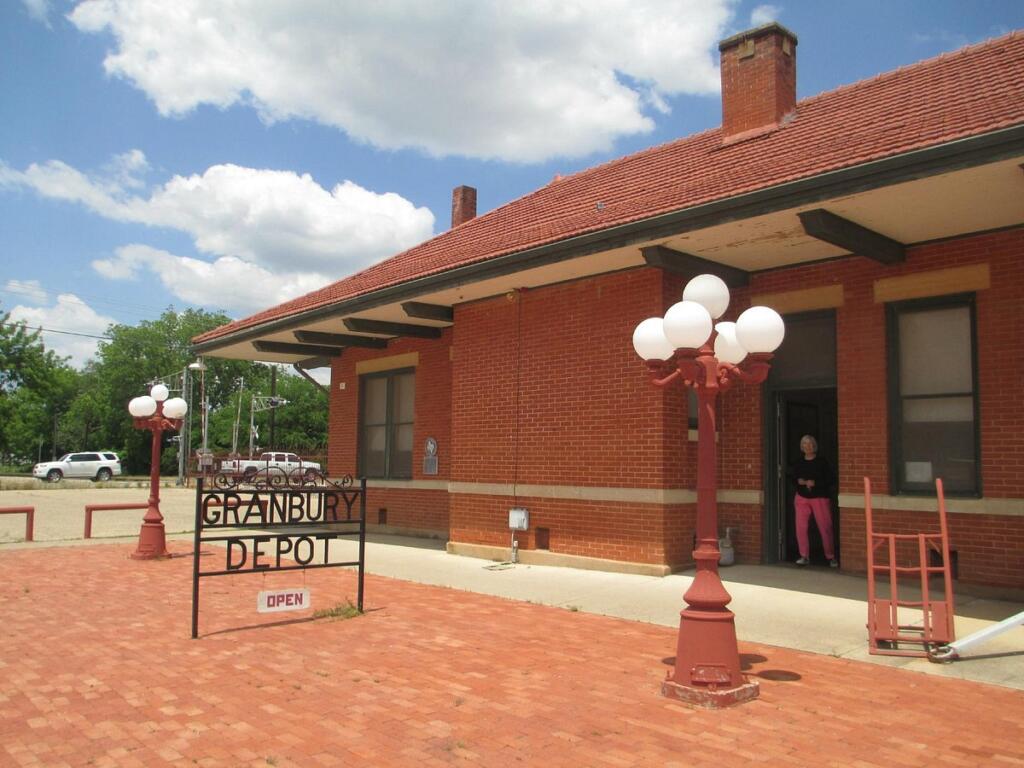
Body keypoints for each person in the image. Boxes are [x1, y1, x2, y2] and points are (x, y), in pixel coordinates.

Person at [789, 434, 838, 568]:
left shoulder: (822, 462)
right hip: (802, 497)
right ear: (802, 447)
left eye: (810, 444)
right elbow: (792, 477)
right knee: (801, 527)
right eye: (805, 444)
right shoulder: (798, 462)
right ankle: (804, 556)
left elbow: (831, 479)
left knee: (825, 527)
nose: (807, 446)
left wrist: (815, 483)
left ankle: (831, 556)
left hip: (819, 497)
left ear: (814, 446)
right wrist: (799, 482)